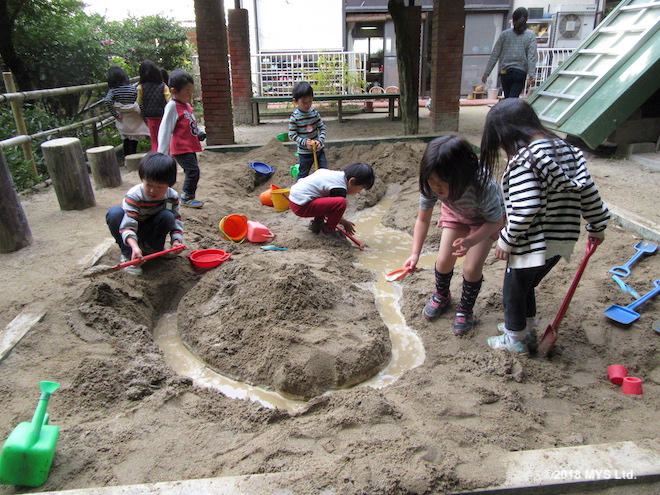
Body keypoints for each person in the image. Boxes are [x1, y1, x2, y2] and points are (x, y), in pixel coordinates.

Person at [480, 98, 609, 354]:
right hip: (561, 240)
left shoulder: (523, 161)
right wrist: (597, 224)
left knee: (514, 288)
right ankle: (525, 329)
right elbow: (589, 192)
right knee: (527, 285)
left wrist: (506, 239)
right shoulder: (570, 151)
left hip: (531, 242)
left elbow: (527, 207)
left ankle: (515, 339)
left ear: (508, 135)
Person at [403, 136, 505, 336]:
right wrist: (415, 253)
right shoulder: (430, 184)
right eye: (431, 180)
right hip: (456, 214)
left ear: (461, 175)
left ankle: (466, 309)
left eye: (442, 181)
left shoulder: (482, 187)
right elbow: (423, 220)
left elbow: (497, 221)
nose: (435, 186)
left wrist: (471, 241)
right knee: (443, 262)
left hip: (485, 220)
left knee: (471, 267)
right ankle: (442, 294)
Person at [106, 152, 184, 276]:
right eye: (149, 185)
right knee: (114, 213)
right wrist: (134, 247)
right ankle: (128, 255)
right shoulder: (134, 196)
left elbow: (176, 220)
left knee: (168, 216)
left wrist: (176, 241)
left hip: (151, 229)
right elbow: (128, 225)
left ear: (169, 184)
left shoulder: (171, 197)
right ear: (142, 179)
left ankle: (154, 249)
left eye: (160, 187)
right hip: (133, 231)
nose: (153, 191)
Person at [289, 162, 375, 242]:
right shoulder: (339, 188)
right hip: (301, 206)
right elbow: (330, 212)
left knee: (326, 198)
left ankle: (317, 224)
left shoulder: (336, 176)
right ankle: (328, 232)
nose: (359, 192)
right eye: (360, 189)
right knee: (340, 203)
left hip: (295, 199)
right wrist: (344, 223)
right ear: (351, 181)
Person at [158, 69, 206, 208]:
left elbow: (190, 123)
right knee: (193, 171)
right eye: (187, 92)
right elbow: (165, 129)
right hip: (181, 147)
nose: (190, 95)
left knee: (192, 171)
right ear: (174, 91)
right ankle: (186, 197)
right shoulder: (172, 106)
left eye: (192, 91)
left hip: (190, 146)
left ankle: (184, 196)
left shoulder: (187, 106)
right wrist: (162, 153)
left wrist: (198, 133)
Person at [482, 7, 537, 99]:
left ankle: (505, 111)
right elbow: (531, 57)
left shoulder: (505, 34)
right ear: (526, 20)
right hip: (520, 72)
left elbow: (495, 54)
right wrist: (532, 75)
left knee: (508, 99)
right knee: (512, 100)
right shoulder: (530, 35)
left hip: (505, 72)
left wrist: (486, 73)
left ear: (513, 20)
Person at [104, 66, 149, 158]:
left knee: (126, 138)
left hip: (123, 118)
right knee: (134, 138)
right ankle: (133, 156)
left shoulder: (113, 90)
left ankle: (127, 157)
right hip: (134, 117)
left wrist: (115, 115)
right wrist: (143, 116)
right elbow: (140, 102)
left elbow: (107, 101)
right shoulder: (133, 88)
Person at [288, 81, 327, 179]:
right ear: (296, 101)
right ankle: (299, 191)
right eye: (304, 102)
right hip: (304, 153)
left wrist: (319, 141)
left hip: (318, 150)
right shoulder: (295, 117)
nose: (307, 104)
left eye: (310, 101)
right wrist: (305, 142)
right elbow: (292, 134)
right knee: (303, 174)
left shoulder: (314, 113)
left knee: (324, 172)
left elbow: (322, 128)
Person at [137, 60, 170, 151]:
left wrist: (143, 116)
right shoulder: (163, 86)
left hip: (150, 117)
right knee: (165, 137)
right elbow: (169, 100)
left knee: (154, 139)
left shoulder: (140, 87)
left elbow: (139, 103)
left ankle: (156, 157)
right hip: (163, 115)